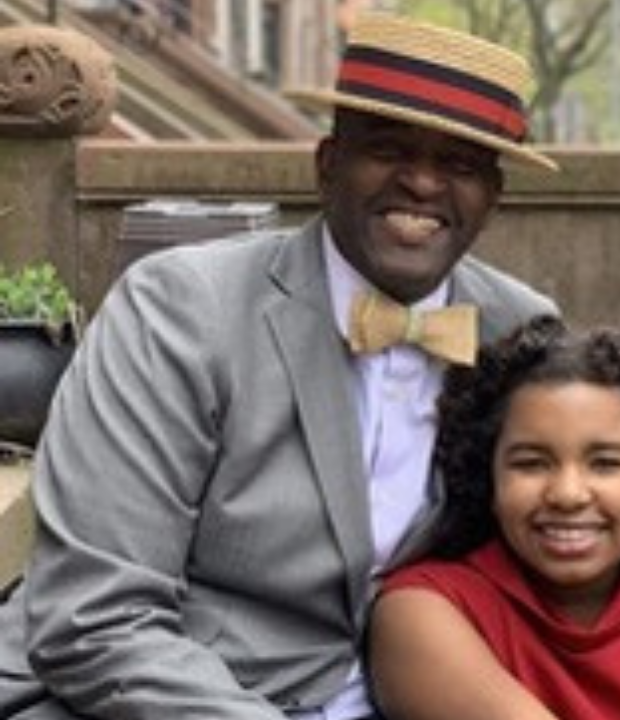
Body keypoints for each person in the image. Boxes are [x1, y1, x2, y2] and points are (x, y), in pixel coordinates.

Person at [0, 14, 559, 720]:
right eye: (388, 150)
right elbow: (96, 617)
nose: (422, 183)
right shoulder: (180, 309)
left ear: (493, 197)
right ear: (326, 166)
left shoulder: (521, 333)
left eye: (459, 164)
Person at [369, 315, 620, 720]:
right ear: (487, 475)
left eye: (604, 464)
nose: (567, 494)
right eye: (531, 463)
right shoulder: (423, 611)